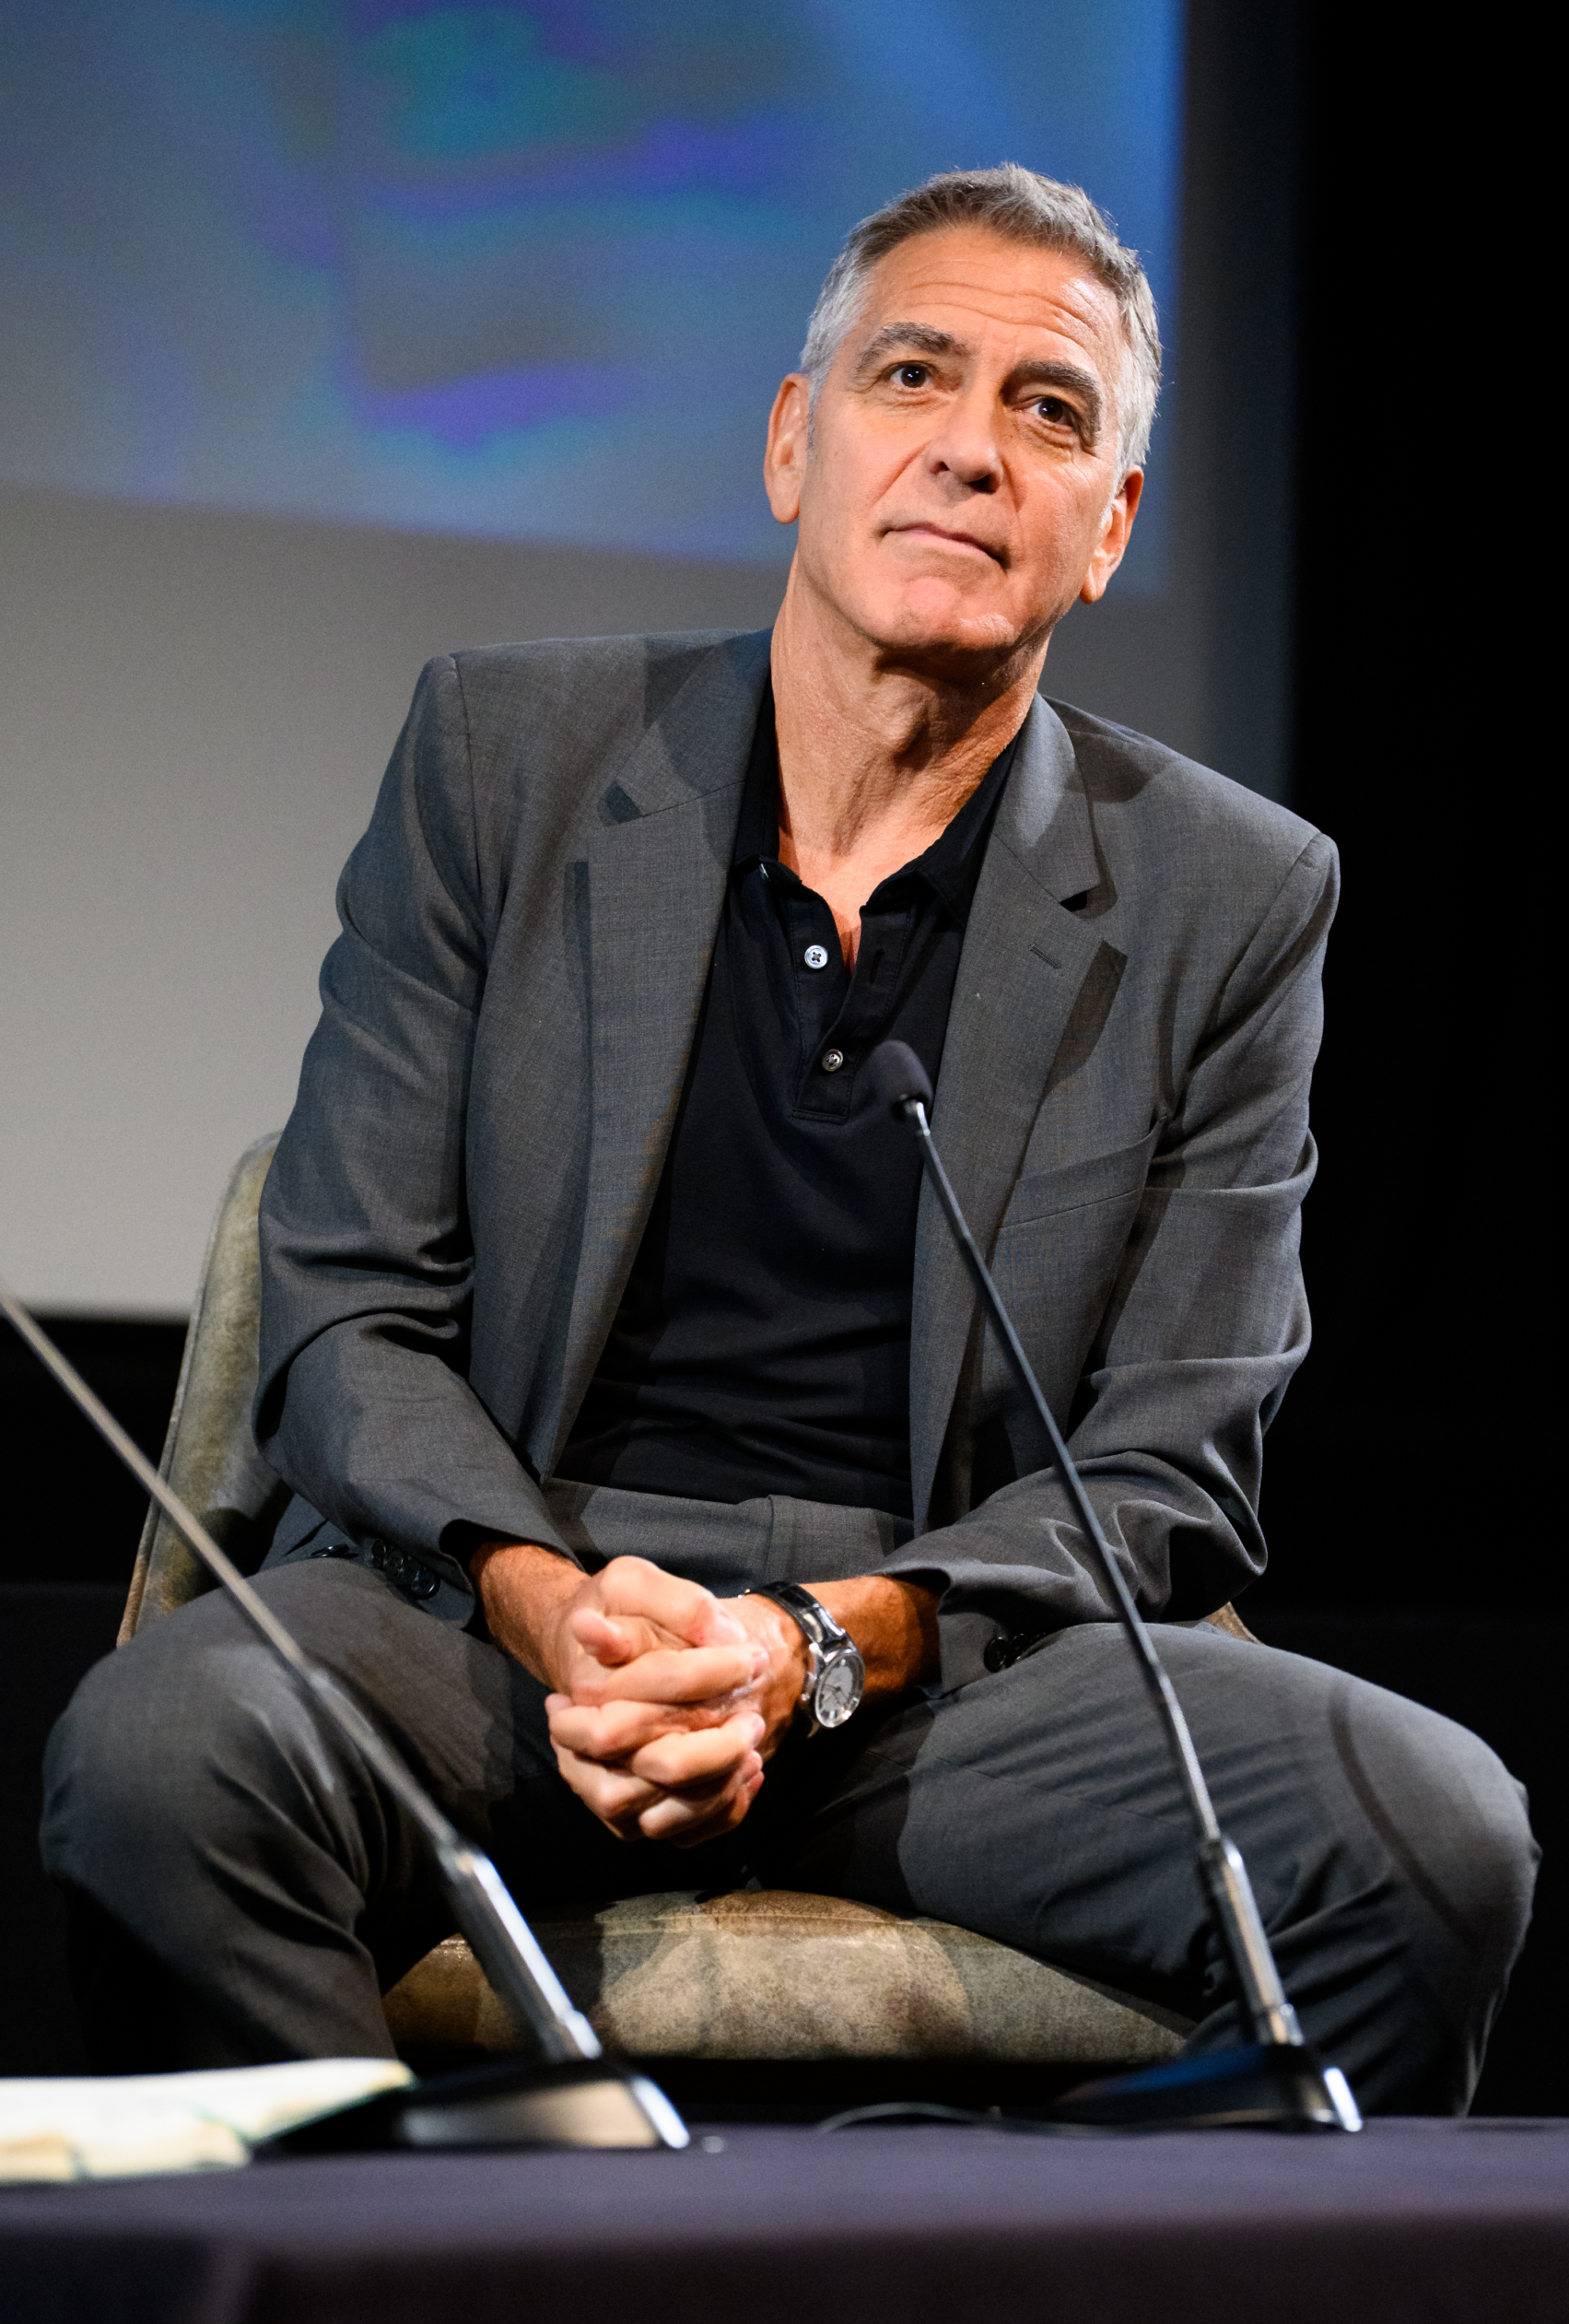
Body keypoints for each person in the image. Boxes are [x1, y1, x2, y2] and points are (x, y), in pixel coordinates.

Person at [43, 167, 1534, 2111]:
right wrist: (560, 1606)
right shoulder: (503, 757)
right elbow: (346, 1306)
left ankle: (1017, 2238)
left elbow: (1172, 1456)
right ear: (787, 442)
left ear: (1108, 527)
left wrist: (818, 1645)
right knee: (161, 1759)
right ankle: (397, 2250)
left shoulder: (1233, 896)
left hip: (940, 1667)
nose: (970, 448)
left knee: (1430, 1840)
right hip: (504, 1611)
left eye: (1048, 410)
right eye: (911, 374)